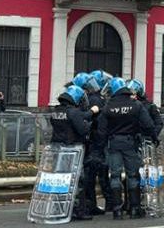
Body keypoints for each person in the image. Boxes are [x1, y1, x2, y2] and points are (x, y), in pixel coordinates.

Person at [96, 77, 156, 219]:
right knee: (133, 175)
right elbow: (148, 125)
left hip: (114, 144)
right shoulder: (136, 105)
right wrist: (150, 136)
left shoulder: (108, 106)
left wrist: (100, 148)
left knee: (115, 176)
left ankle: (117, 210)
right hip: (131, 143)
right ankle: (134, 209)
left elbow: (101, 130)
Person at [48, 85, 96, 220]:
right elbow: (83, 129)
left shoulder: (56, 111)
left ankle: (59, 208)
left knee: (61, 180)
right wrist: (90, 124)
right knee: (77, 180)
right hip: (72, 149)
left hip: (57, 149)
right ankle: (78, 211)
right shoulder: (73, 112)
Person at [71, 71, 115, 217]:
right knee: (99, 173)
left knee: (93, 175)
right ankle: (107, 203)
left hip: (93, 140)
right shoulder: (96, 98)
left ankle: (93, 204)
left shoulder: (87, 99)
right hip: (98, 141)